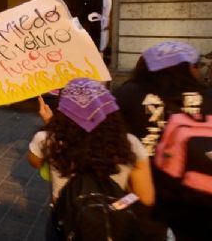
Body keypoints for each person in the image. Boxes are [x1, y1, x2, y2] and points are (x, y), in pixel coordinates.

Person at [27, 78, 155, 241]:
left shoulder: (46, 139)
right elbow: (146, 198)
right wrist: (118, 204)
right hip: (112, 224)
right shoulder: (130, 143)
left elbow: (34, 162)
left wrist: (51, 124)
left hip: (66, 221)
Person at [113, 41, 212, 240]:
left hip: (140, 192)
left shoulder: (127, 94)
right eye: (196, 65)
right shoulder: (208, 97)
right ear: (184, 68)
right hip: (196, 198)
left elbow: (112, 140)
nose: (199, 70)